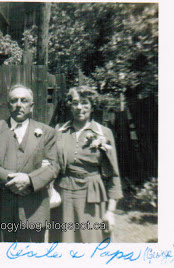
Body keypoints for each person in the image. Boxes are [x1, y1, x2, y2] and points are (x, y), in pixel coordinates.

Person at [0, 84, 58, 242]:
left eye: (24, 100)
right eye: (14, 101)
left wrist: (29, 181)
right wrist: (13, 180)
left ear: (31, 106)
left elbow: (53, 166)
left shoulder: (47, 132)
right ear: (8, 105)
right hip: (2, 209)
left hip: (33, 208)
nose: (19, 105)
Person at [51, 86, 123, 243]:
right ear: (70, 105)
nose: (79, 108)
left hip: (92, 196)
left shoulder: (103, 133)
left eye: (84, 103)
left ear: (92, 106)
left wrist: (110, 211)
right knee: (64, 243)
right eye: (75, 103)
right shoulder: (59, 131)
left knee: (92, 243)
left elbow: (113, 175)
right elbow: (50, 165)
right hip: (64, 195)